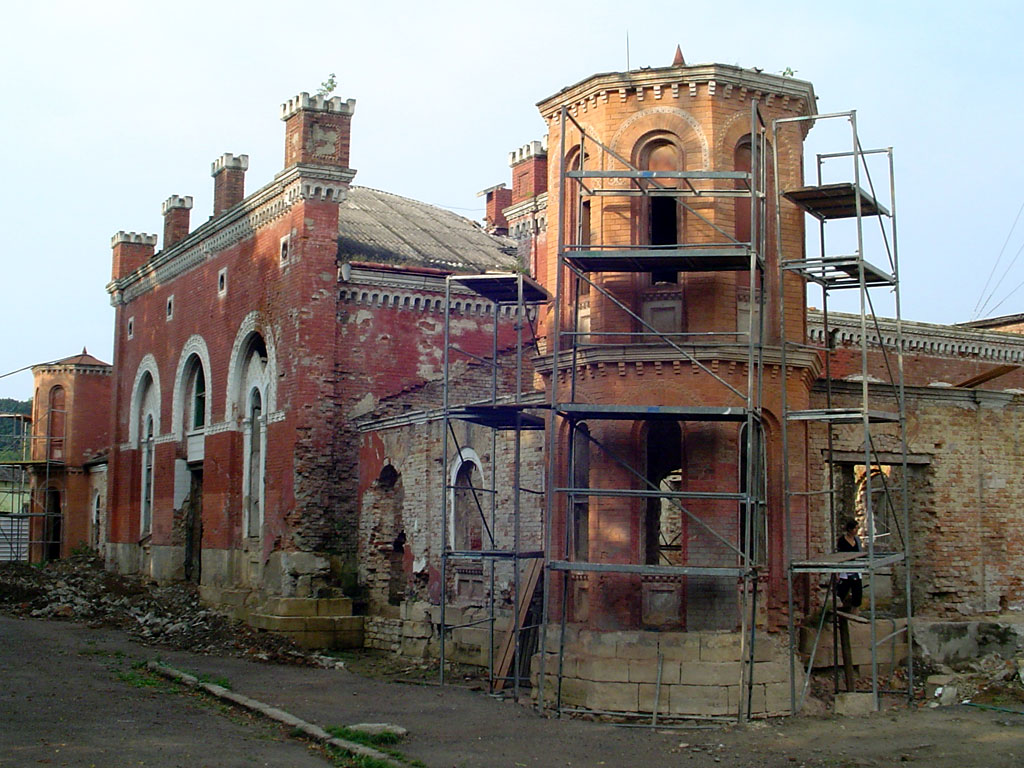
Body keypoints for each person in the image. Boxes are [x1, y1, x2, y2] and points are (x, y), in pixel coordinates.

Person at [835, 518, 863, 613]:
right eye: (855, 528)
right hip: (845, 569)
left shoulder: (857, 540)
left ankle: (855, 614)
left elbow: (860, 552)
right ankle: (838, 613)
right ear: (850, 529)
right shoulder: (842, 540)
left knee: (857, 594)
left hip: (856, 569)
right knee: (841, 592)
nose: (857, 530)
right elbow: (838, 555)